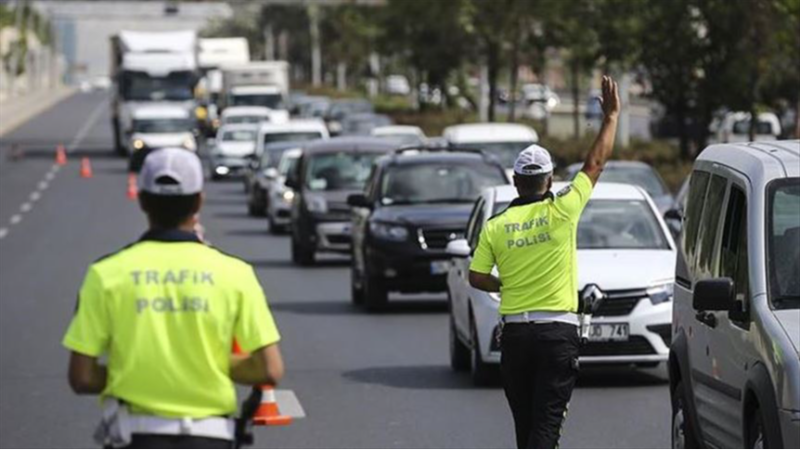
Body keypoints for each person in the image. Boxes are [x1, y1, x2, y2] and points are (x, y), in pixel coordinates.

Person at [63, 147, 284, 449]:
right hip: (212, 436)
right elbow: (269, 370)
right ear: (199, 202)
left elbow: (81, 377)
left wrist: (138, 371)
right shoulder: (236, 274)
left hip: (134, 437)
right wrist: (206, 363)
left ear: (141, 200)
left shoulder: (105, 274)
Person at [468, 76, 620, 450]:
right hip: (557, 336)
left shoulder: (496, 226)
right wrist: (611, 117)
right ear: (550, 180)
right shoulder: (564, 209)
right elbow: (596, 163)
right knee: (546, 427)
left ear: (516, 182)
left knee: (527, 429)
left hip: (516, 337)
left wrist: (505, 284)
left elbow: (475, 276)